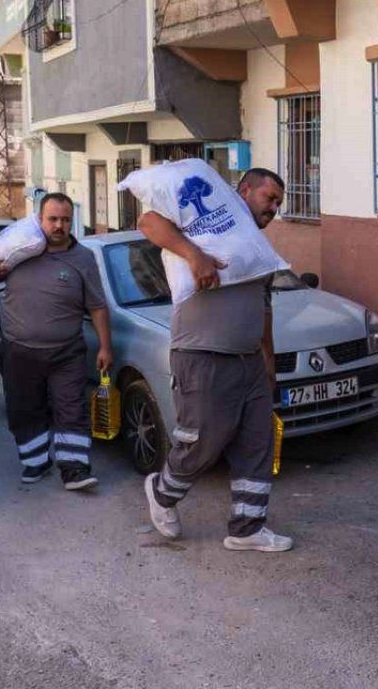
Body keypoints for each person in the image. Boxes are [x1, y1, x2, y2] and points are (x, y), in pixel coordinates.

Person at [137, 167, 292, 552]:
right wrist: (195, 256)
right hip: (202, 354)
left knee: (257, 444)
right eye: (268, 197)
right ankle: (162, 492)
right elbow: (147, 221)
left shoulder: (254, 249)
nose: (273, 208)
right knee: (202, 442)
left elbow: (264, 307)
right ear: (244, 190)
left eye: (277, 203)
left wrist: (268, 360)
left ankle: (247, 528)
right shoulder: (203, 226)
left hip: (249, 360)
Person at [0, 193, 113, 490]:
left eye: (65, 219)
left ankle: (75, 469)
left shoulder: (83, 259)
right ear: (40, 220)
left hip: (67, 353)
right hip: (18, 351)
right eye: (53, 219)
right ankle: (36, 462)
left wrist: (105, 345)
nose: (59, 225)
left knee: (71, 409)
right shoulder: (18, 252)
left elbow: (98, 305)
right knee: (24, 410)